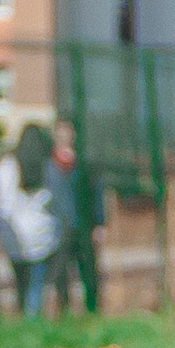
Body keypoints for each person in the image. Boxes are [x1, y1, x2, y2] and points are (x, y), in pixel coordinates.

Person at [0, 122, 64, 313]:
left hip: (13, 236)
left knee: (20, 282)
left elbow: (1, 203)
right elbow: (56, 201)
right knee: (36, 283)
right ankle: (31, 316)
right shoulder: (47, 166)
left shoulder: (6, 166)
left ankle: (23, 312)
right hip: (42, 235)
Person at [50, 118, 103, 313]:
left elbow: (96, 192)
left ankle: (92, 309)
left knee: (88, 271)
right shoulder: (49, 164)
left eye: (68, 131)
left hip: (82, 225)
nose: (64, 136)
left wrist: (99, 222)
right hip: (59, 227)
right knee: (61, 273)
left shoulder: (84, 162)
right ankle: (65, 311)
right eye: (60, 132)